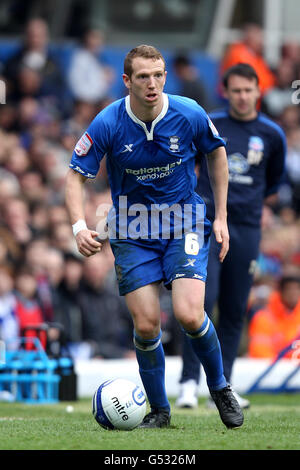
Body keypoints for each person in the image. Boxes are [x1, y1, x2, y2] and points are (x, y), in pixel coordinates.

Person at [65, 44, 244, 429]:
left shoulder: (190, 112)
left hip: (185, 222)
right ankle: (160, 412)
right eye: (143, 76)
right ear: (126, 80)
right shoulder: (108, 122)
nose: (153, 83)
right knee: (146, 326)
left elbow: (216, 153)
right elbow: (75, 175)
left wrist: (223, 216)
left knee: (189, 314)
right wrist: (79, 227)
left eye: (159, 74)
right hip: (132, 229)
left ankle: (219, 388)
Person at [175, 63, 286, 410]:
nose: (242, 96)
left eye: (248, 90)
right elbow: (186, 163)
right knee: (200, 304)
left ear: (258, 92)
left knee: (236, 307)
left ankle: (223, 387)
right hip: (206, 224)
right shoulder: (210, 123)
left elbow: (273, 180)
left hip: (246, 228)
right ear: (226, 91)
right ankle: (188, 383)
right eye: (236, 90)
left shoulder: (271, 133)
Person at [248, 275, 300, 360]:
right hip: (273, 369)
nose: (293, 293)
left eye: (297, 289)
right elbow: (259, 351)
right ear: (281, 292)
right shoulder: (263, 318)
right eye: (289, 289)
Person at [220, 24, 275, 96]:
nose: (262, 41)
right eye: (259, 37)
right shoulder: (239, 54)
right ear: (249, 38)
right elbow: (252, 81)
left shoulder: (255, 55)